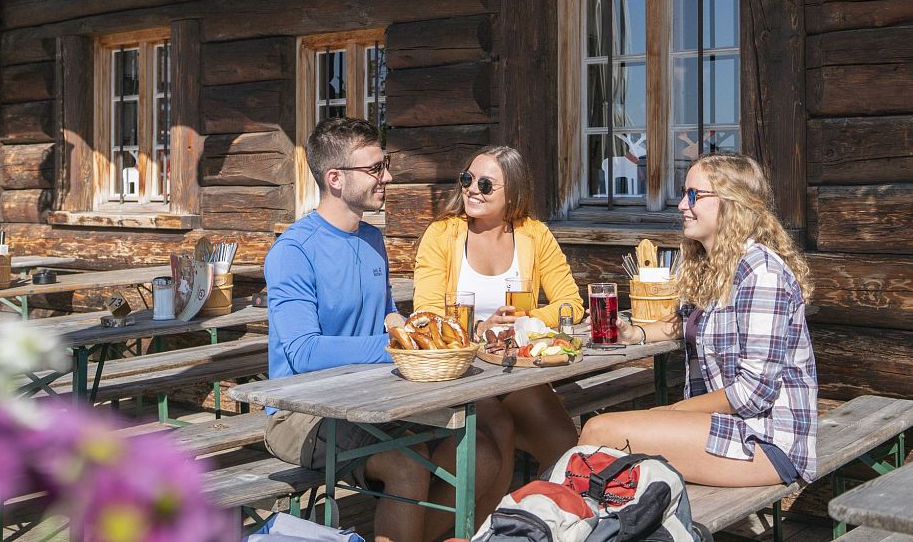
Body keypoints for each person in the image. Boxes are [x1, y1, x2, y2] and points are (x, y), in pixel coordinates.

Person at [264, 117, 511, 542]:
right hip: (303, 413)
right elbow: (304, 352)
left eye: (386, 163)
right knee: (408, 465)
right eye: (375, 169)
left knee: (481, 457)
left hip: (377, 399)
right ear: (335, 178)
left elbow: (388, 315)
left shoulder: (371, 239)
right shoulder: (293, 251)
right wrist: (397, 348)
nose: (388, 176)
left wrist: (423, 331)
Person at [579, 153, 817, 487]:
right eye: (683, 193)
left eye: (693, 195)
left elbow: (755, 393)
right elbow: (684, 325)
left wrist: (676, 412)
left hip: (767, 441)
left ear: (732, 203)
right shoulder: (714, 267)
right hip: (730, 428)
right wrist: (633, 333)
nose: (680, 205)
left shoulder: (760, 273)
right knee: (607, 441)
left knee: (599, 431)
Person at [414, 145, 585, 471]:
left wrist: (526, 320)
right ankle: (491, 520)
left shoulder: (534, 234)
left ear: (513, 194)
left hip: (511, 366)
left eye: (486, 185)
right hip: (462, 370)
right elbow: (428, 316)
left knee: (563, 441)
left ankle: (548, 517)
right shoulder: (442, 235)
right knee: (498, 435)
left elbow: (570, 304)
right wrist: (479, 328)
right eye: (468, 179)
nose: (472, 190)